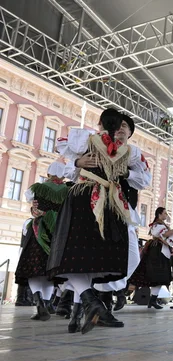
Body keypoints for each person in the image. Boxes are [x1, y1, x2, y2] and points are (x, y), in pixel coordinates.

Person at [62, 113, 151, 329]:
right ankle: (87, 308)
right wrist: (77, 162)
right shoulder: (89, 142)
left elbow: (143, 180)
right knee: (83, 257)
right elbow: (69, 171)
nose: (119, 129)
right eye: (116, 125)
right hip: (91, 202)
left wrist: (126, 172)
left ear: (130, 132)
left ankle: (95, 304)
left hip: (116, 209)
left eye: (124, 126)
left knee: (98, 258)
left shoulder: (129, 153)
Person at [47, 108, 130, 335]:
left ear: (100, 122)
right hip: (110, 204)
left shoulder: (85, 139)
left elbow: (67, 170)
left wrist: (76, 163)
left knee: (70, 257)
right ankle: (76, 316)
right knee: (87, 261)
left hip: (84, 198)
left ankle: (91, 302)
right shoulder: (125, 150)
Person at [15, 161, 71, 321]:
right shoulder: (68, 191)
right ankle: (46, 304)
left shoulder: (37, 188)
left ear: (48, 174)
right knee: (49, 272)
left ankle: (39, 301)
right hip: (59, 232)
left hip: (39, 229)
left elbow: (33, 205)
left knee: (32, 268)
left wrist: (34, 209)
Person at [128, 207, 173, 309]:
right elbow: (163, 236)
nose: (166, 215)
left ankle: (152, 300)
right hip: (157, 252)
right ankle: (127, 291)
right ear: (159, 214)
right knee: (156, 275)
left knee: (159, 277)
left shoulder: (161, 225)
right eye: (165, 213)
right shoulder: (157, 225)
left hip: (161, 252)